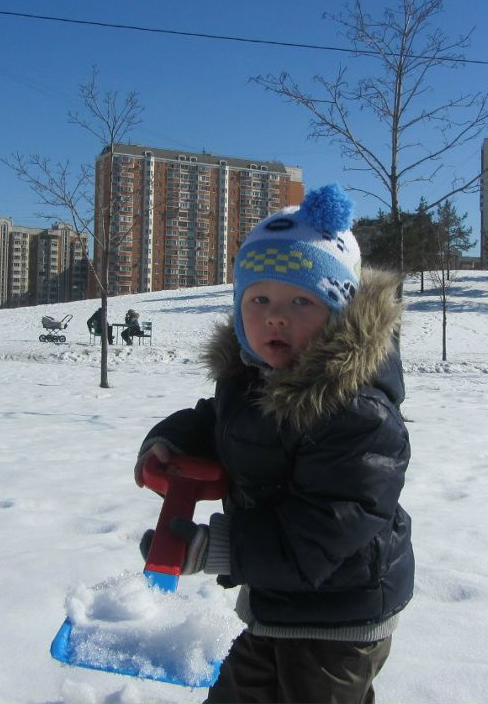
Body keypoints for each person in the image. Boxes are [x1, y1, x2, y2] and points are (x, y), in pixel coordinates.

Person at [133, 184, 413, 704]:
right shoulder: (254, 377)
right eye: (259, 298)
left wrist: (213, 547)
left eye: (301, 301)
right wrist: (172, 439)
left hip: (341, 613)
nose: (275, 316)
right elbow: (222, 422)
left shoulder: (357, 414)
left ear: (338, 315)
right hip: (275, 598)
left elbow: (325, 530)